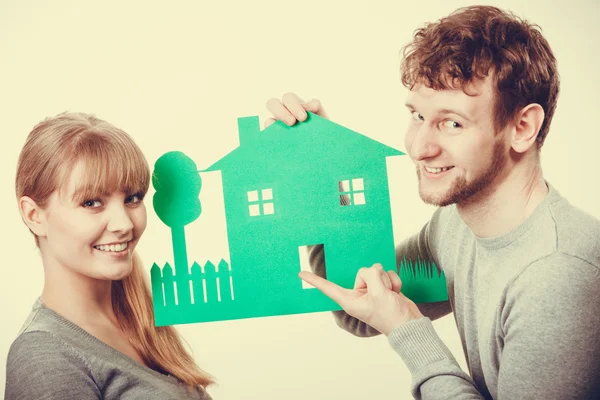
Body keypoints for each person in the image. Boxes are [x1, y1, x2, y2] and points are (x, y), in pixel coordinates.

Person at [264, 5, 600, 400]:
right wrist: (323, 175)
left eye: (452, 122)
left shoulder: (557, 274)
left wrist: (409, 330)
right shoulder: (456, 225)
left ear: (522, 127)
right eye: (417, 115)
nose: (419, 148)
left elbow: (391, 318)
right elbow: (359, 309)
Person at [5, 112, 214, 399]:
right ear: (34, 215)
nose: (125, 224)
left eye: (133, 198)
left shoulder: (140, 318)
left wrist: (288, 149)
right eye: (91, 202)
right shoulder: (43, 356)